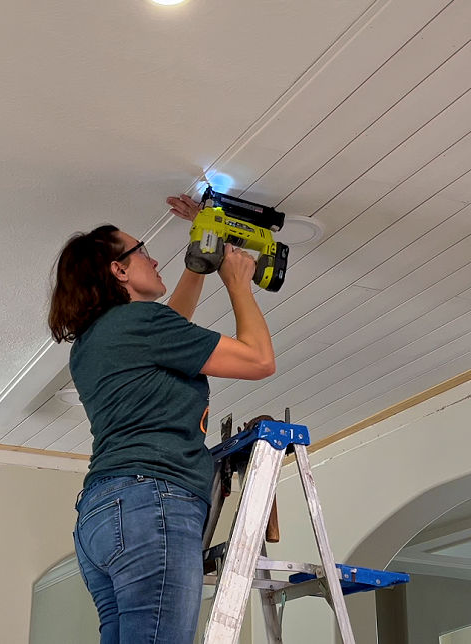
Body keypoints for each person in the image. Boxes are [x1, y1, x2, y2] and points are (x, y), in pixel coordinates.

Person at [48, 193, 275, 644]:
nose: (153, 259)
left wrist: (198, 263)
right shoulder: (139, 324)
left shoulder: (94, 342)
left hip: (102, 514)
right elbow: (259, 360)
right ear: (119, 270)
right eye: (141, 252)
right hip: (151, 502)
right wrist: (237, 284)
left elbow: (169, 330)